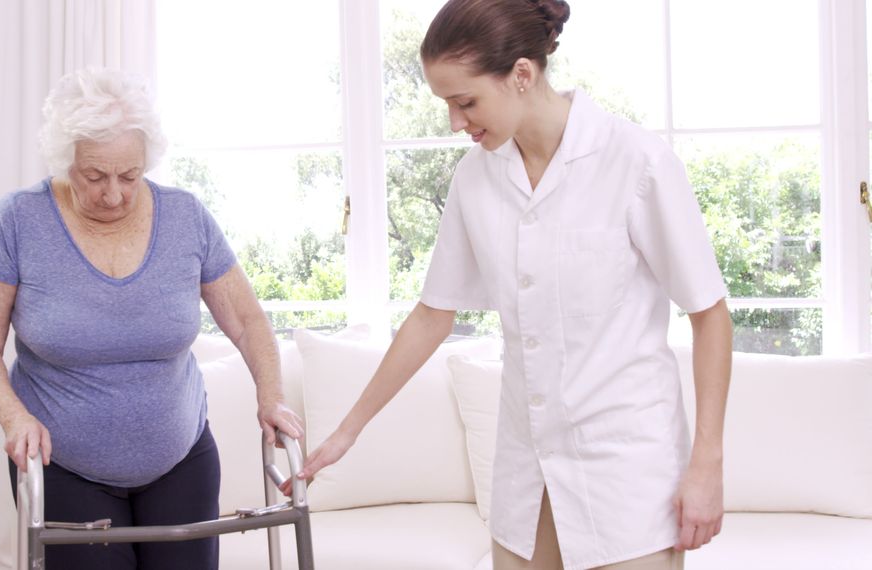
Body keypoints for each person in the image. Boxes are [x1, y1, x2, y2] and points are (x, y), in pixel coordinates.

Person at [288, 1, 733, 569]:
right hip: (527, 470)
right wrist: (348, 431)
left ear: (522, 74)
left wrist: (707, 463)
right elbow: (433, 314)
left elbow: (709, 312)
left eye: (465, 101)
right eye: (447, 104)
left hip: (626, 471)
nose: (455, 122)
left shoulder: (636, 161)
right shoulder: (476, 176)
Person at [0, 68, 303, 570]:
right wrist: (15, 417)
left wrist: (271, 395)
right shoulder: (18, 221)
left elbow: (248, 322)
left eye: (130, 175)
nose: (114, 194)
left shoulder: (186, 217)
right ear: (64, 158)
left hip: (182, 462)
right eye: (94, 176)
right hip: (63, 469)